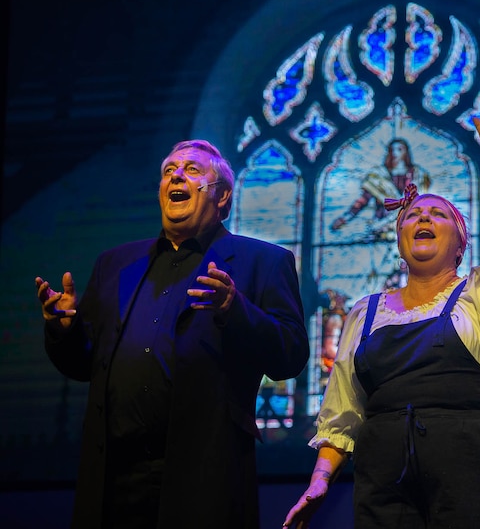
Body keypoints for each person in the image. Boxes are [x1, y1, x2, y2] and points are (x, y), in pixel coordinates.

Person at [284, 81, 480, 529]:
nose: (423, 217)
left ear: (461, 244)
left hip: (473, 465)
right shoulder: (363, 313)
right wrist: (320, 480)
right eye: (412, 215)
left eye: (438, 213)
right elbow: (344, 412)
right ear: (401, 241)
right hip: (385, 475)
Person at [35, 139, 310, 529]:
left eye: (193, 170)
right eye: (169, 171)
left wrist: (236, 309)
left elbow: (292, 356)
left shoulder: (263, 262)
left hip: (202, 476)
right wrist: (63, 331)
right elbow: (84, 365)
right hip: (114, 475)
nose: (177, 175)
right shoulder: (115, 264)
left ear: (223, 197)